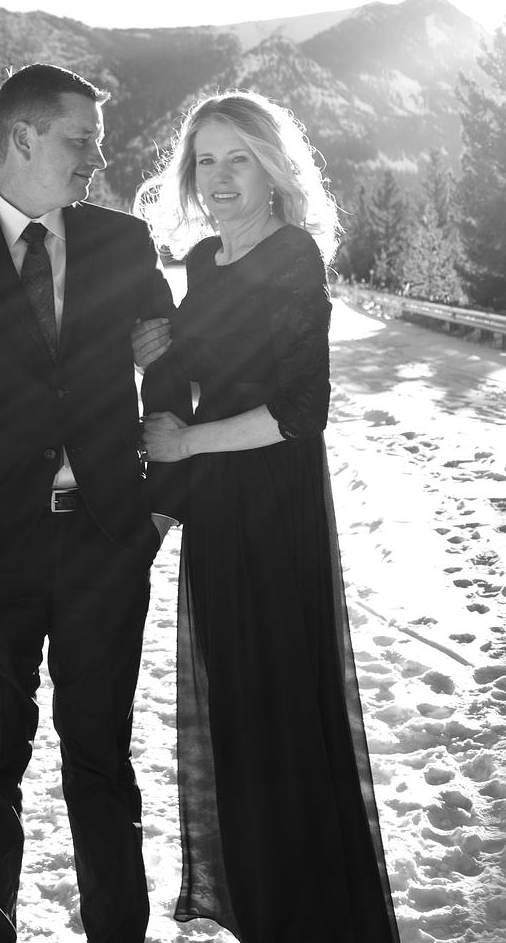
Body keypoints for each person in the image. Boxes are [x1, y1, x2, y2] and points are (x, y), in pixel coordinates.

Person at [0, 63, 190, 943]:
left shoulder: (123, 243)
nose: (97, 157)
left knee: (101, 757)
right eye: (80, 139)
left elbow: (171, 371)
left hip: (108, 539)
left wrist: (159, 509)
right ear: (22, 137)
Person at [133, 91, 400, 942]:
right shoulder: (204, 260)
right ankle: (264, 913)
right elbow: (205, 364)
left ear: (274, 169)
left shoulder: (292, 255)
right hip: (218, 507)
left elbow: (300, 409)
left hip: (275, 504)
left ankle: (310, 919)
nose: (220, 177)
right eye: (205, 160)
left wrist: (186, 442)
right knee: (237, 716)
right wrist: (157, 352)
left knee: (281, 711)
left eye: (238, 158)